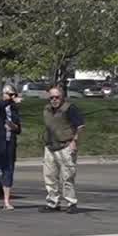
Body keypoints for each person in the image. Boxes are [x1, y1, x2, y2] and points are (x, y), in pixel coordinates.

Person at [42, 85, 86, 213]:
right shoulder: (47, 109)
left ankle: (71, 203)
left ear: (62, 97)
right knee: (49, 176)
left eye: (57, 97)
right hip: (50, 146)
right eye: (51, 97)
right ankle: (52, 203)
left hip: (66, 145)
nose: (54, 100)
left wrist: (74, 141)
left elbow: (80, 126)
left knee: (68, 177)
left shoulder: (70, 108)